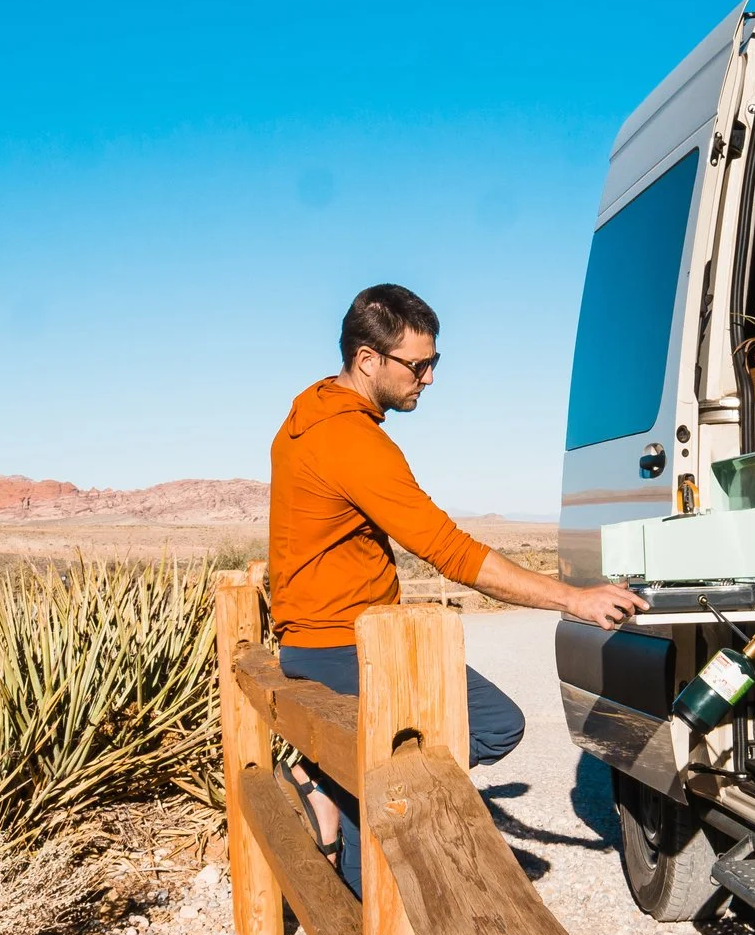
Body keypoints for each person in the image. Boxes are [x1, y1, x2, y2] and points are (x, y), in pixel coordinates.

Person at [268, 282, 647, 890]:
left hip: (313, 638)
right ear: (368, 360)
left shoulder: (308, 414)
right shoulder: (352, 440)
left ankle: (354, 852)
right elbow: (449, 551)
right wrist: (574, 598)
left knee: (384, 764)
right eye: (419, 365)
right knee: (494, 724)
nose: (429, 378)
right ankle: (332, 793)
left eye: (433, 362)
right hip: (342, 645)